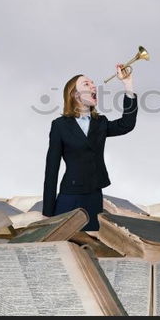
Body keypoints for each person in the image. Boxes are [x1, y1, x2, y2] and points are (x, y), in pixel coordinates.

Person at [42, 64, 137, 230]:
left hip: (93, 195)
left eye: (93, 83)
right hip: (69, 196)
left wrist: (128, 85)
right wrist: (47, 211)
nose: (93, 86)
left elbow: (126, 125)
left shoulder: (100, 123)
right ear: (75, 94)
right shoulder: (59, 125)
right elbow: (52, 169)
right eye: (86, 84)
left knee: (91, 245)